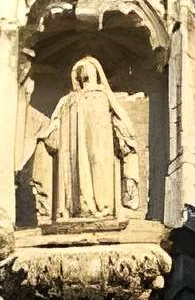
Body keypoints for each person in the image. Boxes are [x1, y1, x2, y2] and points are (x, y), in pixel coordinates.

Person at [31, 56, 141, 224]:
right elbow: (55, 125)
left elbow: (119, 121)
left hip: (101, 144)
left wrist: (125, 138)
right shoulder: (68, 100)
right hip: (75, 148)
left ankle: (104, 208)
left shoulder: (104, 96)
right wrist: (45, 133)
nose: (85, 78)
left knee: (99, 165)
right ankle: (80, 209)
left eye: (89, 73)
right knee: (78, 169)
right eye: (81, 75)